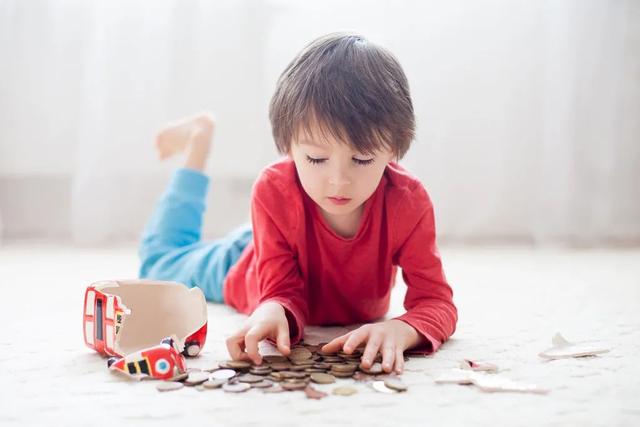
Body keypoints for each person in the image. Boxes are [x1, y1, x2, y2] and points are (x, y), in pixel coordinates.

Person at [139, 32, 457, 375]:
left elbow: (437, 301)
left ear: (393, 150)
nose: (339, 180)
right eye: (317, 158)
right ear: (288, 146)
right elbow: (279, 290)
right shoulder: (273, 190)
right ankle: (198, 142)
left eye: (362, 159)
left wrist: (403, 329)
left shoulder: (407, 202)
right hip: (245, 261)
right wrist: (272, 307)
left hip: (286, 231)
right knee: (157, 261)